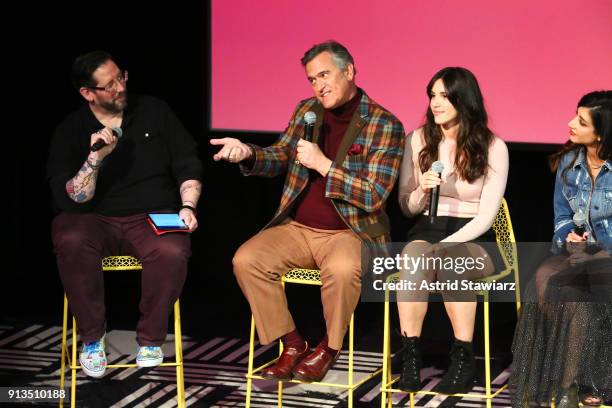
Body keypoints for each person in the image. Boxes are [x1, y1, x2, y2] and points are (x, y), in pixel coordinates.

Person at [211, 40, 404, 383]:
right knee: (247, 258)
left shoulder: (384, 124)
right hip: (298, 228)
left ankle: (329, 348)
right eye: (313, 79)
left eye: (325, 75)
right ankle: (292, 343)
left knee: (344, 269)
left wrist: (325, 165)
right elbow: (281, 155)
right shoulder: (307, 112)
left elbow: (374, 194)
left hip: (350, 232)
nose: (319, 86)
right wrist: (249, 155)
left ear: (350, 71)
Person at [47, 51, 202, 378]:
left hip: (151, 214)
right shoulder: (70, 130)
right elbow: (72, 200)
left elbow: (187, 163)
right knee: (70, 238)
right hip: (93, 218)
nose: (120, 87)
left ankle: (150, 339)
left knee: (172, 249)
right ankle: (91, 339)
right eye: (109, 85)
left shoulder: (154, 111)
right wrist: (95, 159)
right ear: (88, 93)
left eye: (121, 77)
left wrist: (188, 205)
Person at [396, 67, 508, 393]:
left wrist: (446, 245)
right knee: (412, 260)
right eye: (432, 94)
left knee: (452, 261)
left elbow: (487, 217)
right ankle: (411, 357)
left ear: (464, 98)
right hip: (428, 227)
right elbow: (406, 207)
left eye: (444, 95)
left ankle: (462, 360)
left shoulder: (493, 147)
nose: (435, 102)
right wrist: (421, 190)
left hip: (474, 236)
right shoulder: (417, 140)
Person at [511, 90, 612, 408]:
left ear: (602, 132)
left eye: (581, 121)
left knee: (590, 286)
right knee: (545, 281)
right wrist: (569, 237)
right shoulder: (569, 164)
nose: (570, 123)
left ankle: (580, 382)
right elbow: (562, 218)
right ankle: (573, 381)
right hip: (576, 255)